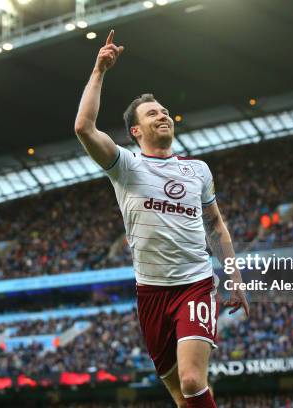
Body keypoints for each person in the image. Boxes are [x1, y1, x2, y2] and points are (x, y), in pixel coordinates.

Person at [74, 30, 249, 408]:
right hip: (151, 292)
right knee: (182, 395)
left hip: (195, 284)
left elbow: (216, 225)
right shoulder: (125, 166)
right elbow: (84, 127)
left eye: (165, 110)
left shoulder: (198, 170)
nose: (163, 115)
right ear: (136, 131)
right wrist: (99, 70)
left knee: (190, 380)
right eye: (153, 113)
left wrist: (233, 276)